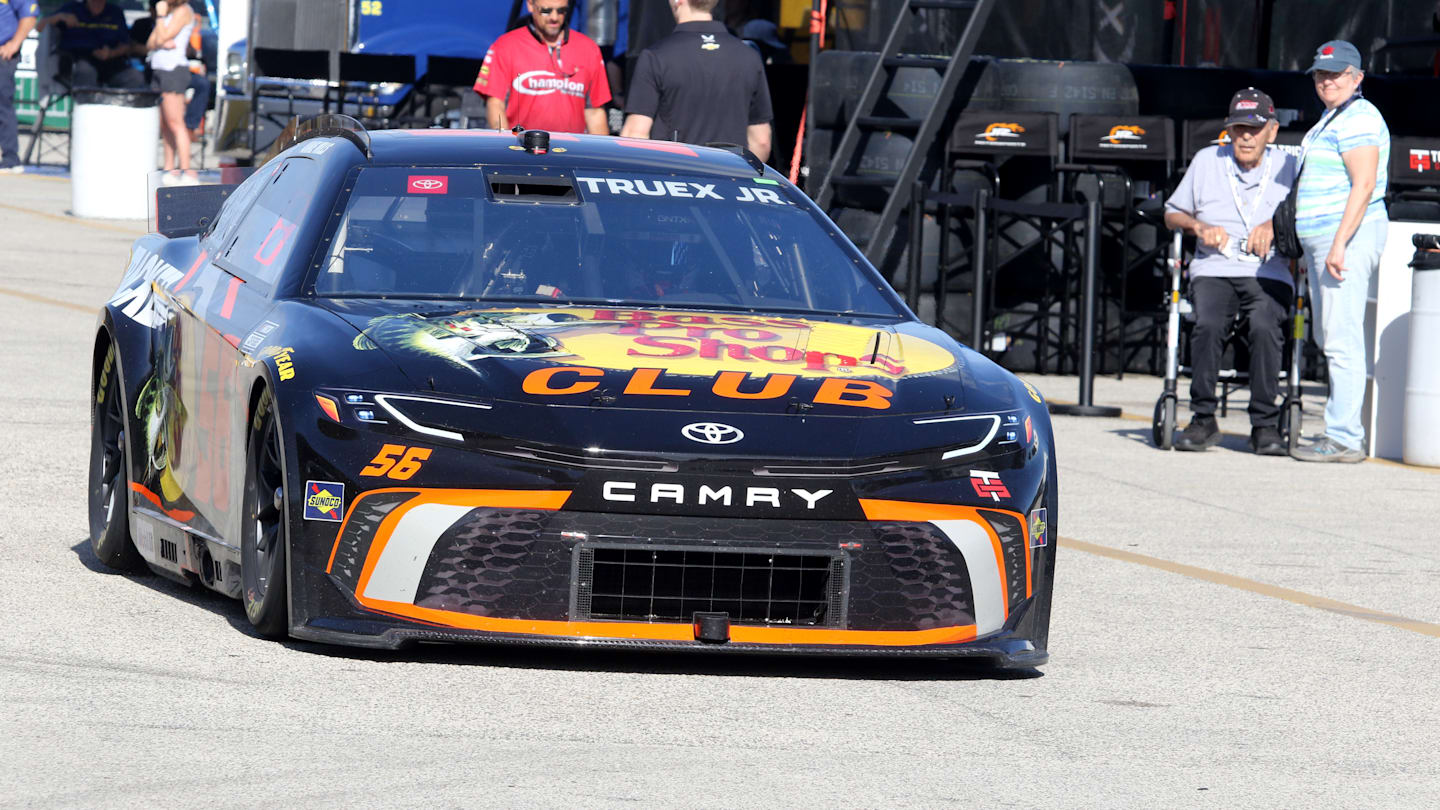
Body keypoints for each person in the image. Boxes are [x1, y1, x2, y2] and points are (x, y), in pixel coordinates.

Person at [1163, 88, 1298, 455]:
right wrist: (1196, 226)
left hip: (1267, 270)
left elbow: (1308, 217)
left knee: (1265, 324)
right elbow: (1171, 212)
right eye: (1239, 128)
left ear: (1272, 130)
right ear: (1229, 131)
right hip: (1213, 266)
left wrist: (1275, 224)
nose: (1246, 136)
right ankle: (1203, 417)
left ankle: (1265, 424)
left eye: (1254, 128)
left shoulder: (1289, 165)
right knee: (1207, 322)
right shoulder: (1208, 160)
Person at [1288, 41, 1390, 463]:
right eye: (1320, 74)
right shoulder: (1336, 117)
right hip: (1328, 239)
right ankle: (1341, 432)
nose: (1327, 81)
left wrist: (1340, 242)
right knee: (1332, 335)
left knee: (1341, 338)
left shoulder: (1361, 118)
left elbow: (1363, 184)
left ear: (1357, 78)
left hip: (1344, 237)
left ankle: (1345, 437)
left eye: (1336, 74)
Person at [620, 0, 774, 162]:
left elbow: (635, 135)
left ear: (677, 1)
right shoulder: (749, 56)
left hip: (676, 176)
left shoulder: (655, 56)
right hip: (731, 176)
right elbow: (761, 141)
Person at [473, 0, 610, 135]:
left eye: (561, 11)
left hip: (571, 152)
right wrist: (506, 146)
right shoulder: (505, 46)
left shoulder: (589, 49)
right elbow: (496, 105)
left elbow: (595, 111)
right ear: (531, 5)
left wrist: (603, 155)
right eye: (546, 10)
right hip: (520, 149)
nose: (554, 17)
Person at [38, 0, 144, 89]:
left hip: (111, 61)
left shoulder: (115, 12)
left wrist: (111, 53)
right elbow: (40, 27)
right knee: (86, 72)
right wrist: (60, 17)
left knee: (135, 77)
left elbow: (126, 44)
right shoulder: (71, 9)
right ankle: (85, 109)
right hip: (78, 61)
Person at [146, 0, 195, 182]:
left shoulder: (183, 10)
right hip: (159, 70)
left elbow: (163, 36)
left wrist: (159, 17)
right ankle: (169, 167)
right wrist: (160, 40)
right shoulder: (168, 13)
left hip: (173, 70)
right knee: (165, 124)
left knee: (176, 122)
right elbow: (151, 43)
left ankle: (186, 169)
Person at [0, 0, 39, 172]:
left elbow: (29, 15)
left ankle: (11, 159)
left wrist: (15, 43)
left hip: (3, 54)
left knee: (2, 104)